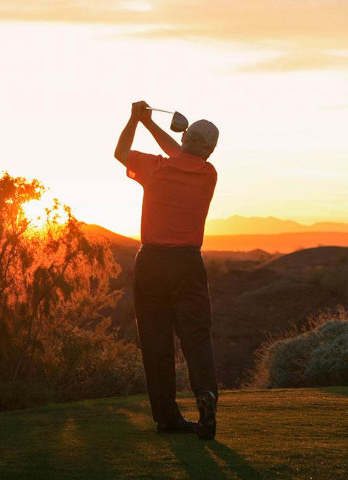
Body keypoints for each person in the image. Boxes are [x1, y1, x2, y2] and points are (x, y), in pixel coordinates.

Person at [114, 100, 220, 440]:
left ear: (185, 138)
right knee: (196, 337)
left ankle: (167, 417)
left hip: (152, 263)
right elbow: (183, 153)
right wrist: (149, 123)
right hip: (188, 263)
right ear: (210, 150)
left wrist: (137, 120)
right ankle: (206, 395)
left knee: (156, 340)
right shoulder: (208, 174)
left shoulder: (156, 168)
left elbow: (120, 152)